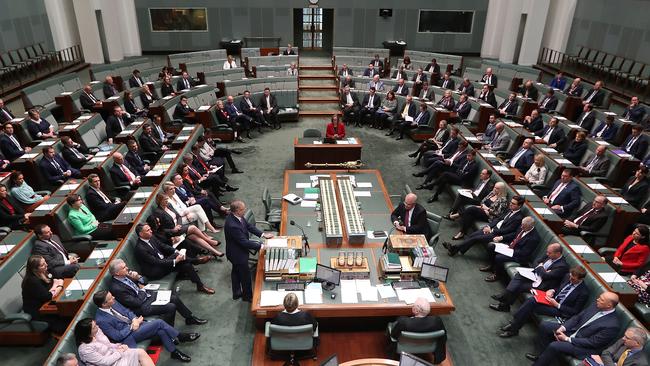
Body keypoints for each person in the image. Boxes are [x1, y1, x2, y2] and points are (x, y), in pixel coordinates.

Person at [93, 291, 196, 363]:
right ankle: (180, 336)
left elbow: (127, 311)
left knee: (160, 330)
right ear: (104, 304)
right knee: (159, 323)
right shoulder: (101, 320)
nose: (114, 298)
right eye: (111, 298)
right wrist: (132, 326)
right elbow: (117, 336)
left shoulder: (113, 303)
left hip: (136, 325)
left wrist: (134, 319)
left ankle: (174, 352)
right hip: (128, 336)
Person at [526, 292, 620, 366]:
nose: (597, 300)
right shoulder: (596, 305)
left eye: (601, 300)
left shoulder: (612, 325)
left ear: (609, 306)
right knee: (545, 326)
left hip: (583, 347)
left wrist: (568, 339)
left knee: (554, 345)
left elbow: (592, 343)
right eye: (599, 297)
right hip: (573, 332)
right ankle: (541, 357)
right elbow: (578, 317)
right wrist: (563, 327)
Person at [107, 259, 207, 326]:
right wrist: (142, 290)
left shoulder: (126, 274)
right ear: (117, 273)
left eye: (126, 266)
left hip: (146, 296)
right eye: (124, 268)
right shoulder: (117, 288)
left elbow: (145, 281)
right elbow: (136, 303)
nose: (127, 268)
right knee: (170, 306)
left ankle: (189, 318)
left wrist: (139, 277)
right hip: (141, 308)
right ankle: (170, 332)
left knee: (173, 297)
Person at [498, 266, 589, 338]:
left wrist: (557, 305)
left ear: (580, 279)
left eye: (573, 279)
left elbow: (574, 311)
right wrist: (552, 290)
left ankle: (513, 327)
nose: (570, 280)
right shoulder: (567, 277)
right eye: (570, 277)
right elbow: (559, 287)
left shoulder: (583, 292)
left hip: (560, 310)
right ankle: (514, 326)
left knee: (531, 305)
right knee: (531, 300)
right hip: (551, 300)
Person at [134, 223, 215, 293]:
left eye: (150, 229)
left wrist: (175, 251)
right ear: (141, 234)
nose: (151, 231)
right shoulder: (140, 249)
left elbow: (163, 246)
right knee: (179, 258)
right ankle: (196, 261)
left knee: (186, 265)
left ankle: (200, 285)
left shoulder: (151, 237)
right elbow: (157, 262)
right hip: (155, 271)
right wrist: (175, 261)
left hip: (163, 262)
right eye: (148, 230)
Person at [489, 243, 569, 312]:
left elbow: (545, 276)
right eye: (547, 252)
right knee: (518, 275)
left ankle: (504, 303)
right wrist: (542, 269)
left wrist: (541, 267)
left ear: (558, 254)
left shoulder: (562, 266)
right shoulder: (550, 254)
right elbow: (537, 262)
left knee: (519, 286)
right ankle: (505, 297)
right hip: (535, 275)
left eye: (549, 253)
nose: (547, 254)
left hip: (542, 284)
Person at [225, 200, 274, 302]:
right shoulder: (232, 225)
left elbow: (249, 226)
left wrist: (263, 235)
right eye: (243, 209)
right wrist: (261, 245)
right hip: (237, 254)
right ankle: (248, 297)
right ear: (237, 211)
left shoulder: (237, 216)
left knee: (236, 271)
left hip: (237, 250)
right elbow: (244, 242)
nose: (245, 210)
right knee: (245, 276)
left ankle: (236, 292)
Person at [444, 195, 525, 257]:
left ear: (519, 206)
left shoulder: (518, 218)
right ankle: (459, 250)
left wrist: (492, 230)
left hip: (498, 234)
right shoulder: (509, 210)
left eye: (513, 204)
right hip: (493, 228)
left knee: (476, 238)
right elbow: (498, 219)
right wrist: (489, 226)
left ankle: (453, 248)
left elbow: (508, 230)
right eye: (511, 202)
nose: (510, 204)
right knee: (473, 235)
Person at [152, 193, 223, 259]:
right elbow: (160, 229)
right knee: (193, 227)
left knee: (195, 237)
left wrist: (179, 224)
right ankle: (209, 240)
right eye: (165, 200)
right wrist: (173, 230)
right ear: (160, 201)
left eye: (167, 199)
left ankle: (215, 252)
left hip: (179, 227)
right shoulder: (158, 212)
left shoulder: (169, 205)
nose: (167, 201)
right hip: (172, 232)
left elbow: (178, 216)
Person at [388, 297, 447, 364]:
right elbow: (443, 337)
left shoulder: (403, 322)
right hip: (427, 346)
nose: (412, 306)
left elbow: (393, 335)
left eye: (413, 305)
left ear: (416, 311)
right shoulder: (437, 321)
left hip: (404, 347)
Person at [482, 216, 540, 282]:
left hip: (519, 256)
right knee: (491, 246)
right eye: (521, 225)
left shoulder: (534, 238)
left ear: (530, 226)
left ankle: (497, 275)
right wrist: (502, 238)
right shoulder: (523, 226)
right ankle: (491, 266)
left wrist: (509, 251)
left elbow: (524, 252)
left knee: (499, 257)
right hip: (510, 247)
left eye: (523, 226)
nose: (521, 227)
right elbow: (514, 235)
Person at [21, 255, 70, 334]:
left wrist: (55, 285)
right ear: (35, 269)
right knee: (67, 325)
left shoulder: (44, 271)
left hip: (47, 304)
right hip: (38, 311)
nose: (46, 265)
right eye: (43, 265)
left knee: (69, 313)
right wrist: (59, 286)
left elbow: (56, 278)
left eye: (45, 262)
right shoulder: (32, 281)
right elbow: (48, 296)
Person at [75, 318, 154, 366]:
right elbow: (105, 362)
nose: (98, 327)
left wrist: (119, 346)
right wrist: (119, 352)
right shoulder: (85, 349)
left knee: (140, 352)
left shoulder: (95, 334)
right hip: (110, 363)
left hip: (115, 356)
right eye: (94, 327)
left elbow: (108, 345)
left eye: (96, 324)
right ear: (87, 332)